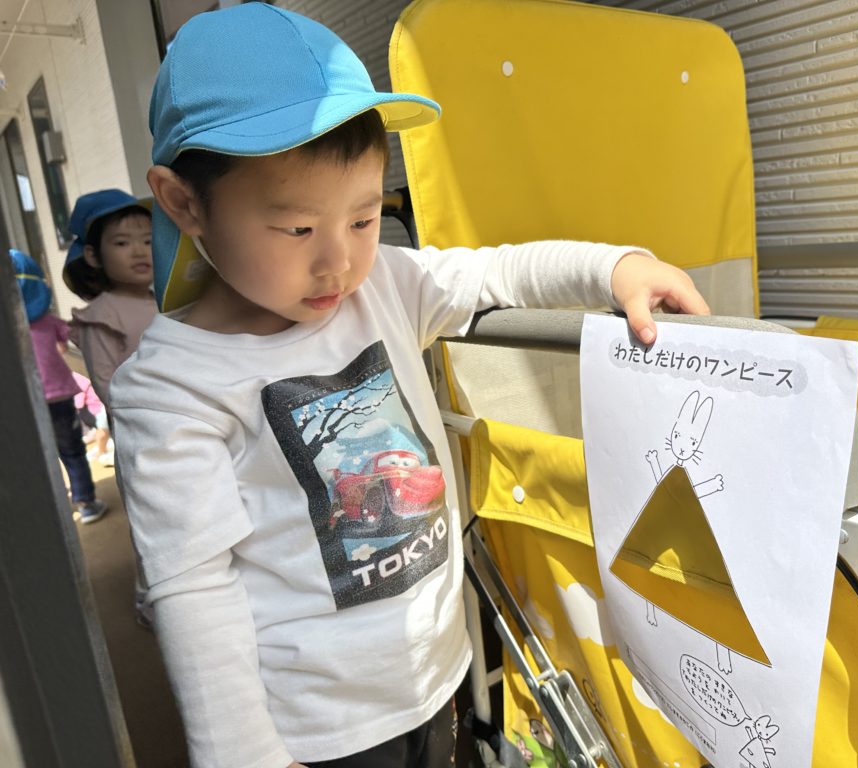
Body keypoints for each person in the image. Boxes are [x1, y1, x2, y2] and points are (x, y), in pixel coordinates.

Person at [111, 5, 710, 768]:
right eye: (298, 230)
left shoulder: (387, 284)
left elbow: (497, 271)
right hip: (319, 728)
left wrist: (615, 267)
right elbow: (194, 589)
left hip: (437, 673)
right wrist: (243, 754)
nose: (338, 262)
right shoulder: (173, 387)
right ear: (184, 203)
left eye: (364, 219)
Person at [11, 249, 108, 524]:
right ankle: (86, 503)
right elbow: (70, 341)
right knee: (72, 451)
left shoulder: (8, 329)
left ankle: (47, 508)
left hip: (24, 401)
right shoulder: (49, 321)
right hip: (59, 398)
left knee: (37, 457)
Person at [63, 189, 157, 411]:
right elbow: (107, 387)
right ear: (93, 255)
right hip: (143, 425)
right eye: (122, 243)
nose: (139, 252)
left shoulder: (163, 300)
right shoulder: (102, 316)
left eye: (148, 241)